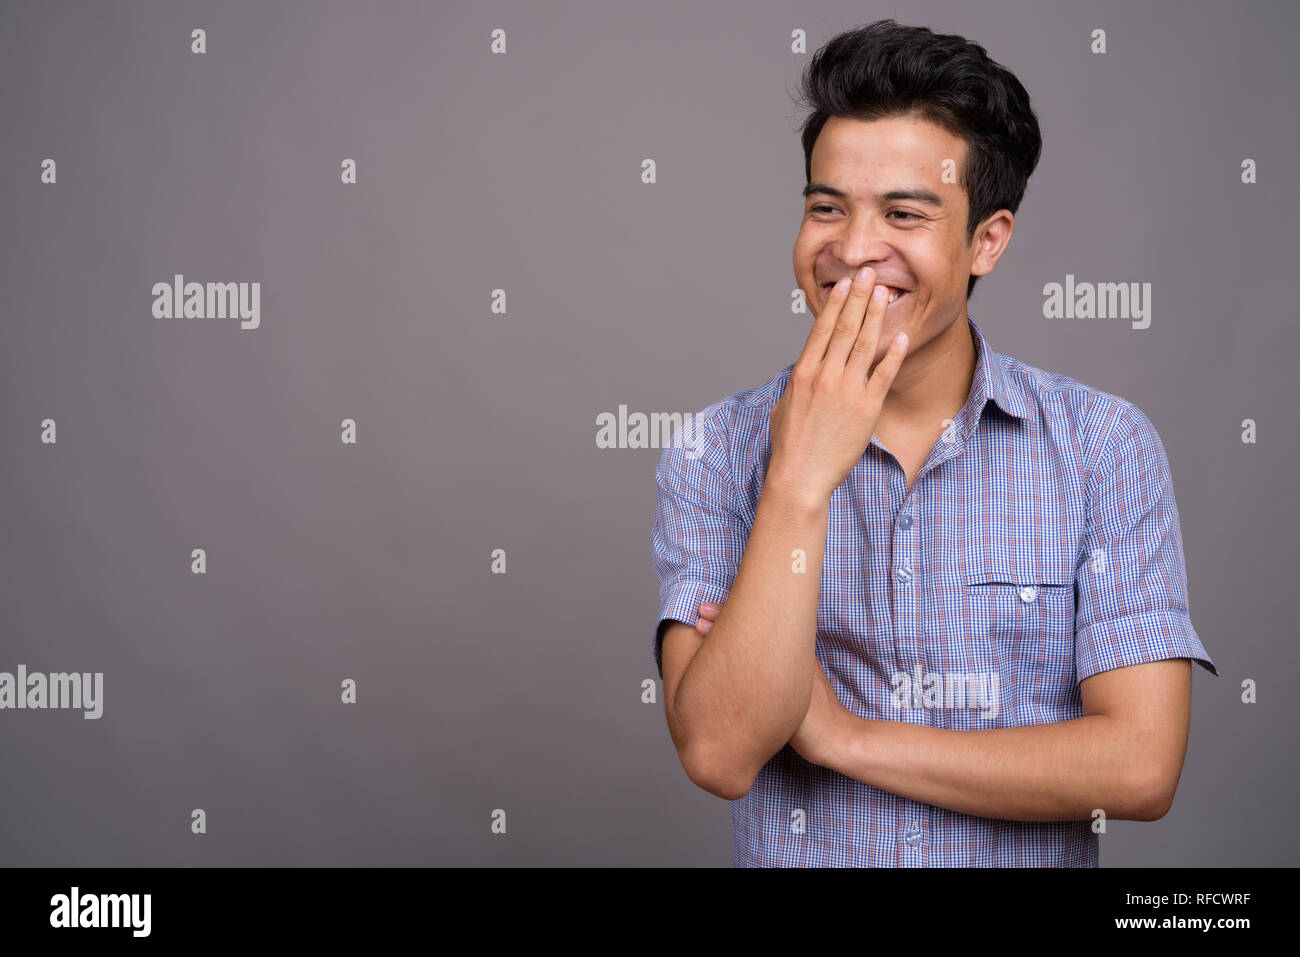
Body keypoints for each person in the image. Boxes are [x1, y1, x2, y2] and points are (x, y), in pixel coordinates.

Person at [650, 19, 1217, 867]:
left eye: (903, 213)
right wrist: (798, 481)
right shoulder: (714, 450)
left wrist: (845, 737)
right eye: (825, 207)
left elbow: (1139, 767)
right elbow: (721, 751)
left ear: (987, 238)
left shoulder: (1104, 445)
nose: (851, 250)